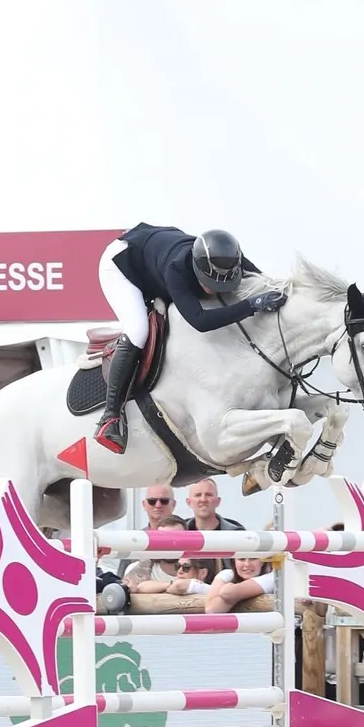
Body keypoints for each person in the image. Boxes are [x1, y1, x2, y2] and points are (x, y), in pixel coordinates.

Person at [94, 224, 287, 453]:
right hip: (123, 265)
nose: (213, 289)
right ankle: (110, 417)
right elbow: (200, 321)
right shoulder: (177, 269)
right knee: (138, 330)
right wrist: (251, 305)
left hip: (154, 249)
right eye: (208, 282)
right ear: (197, 267)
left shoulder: (230, 259)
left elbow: (263, 282)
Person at [122, 486, 188, 590]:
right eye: (152, 501)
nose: (158, 505)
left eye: (164, 501)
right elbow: (128, 587)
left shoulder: (196, 569)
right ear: (144, 504)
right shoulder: (133, 541)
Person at [205, 554, 275, 613]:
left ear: (263, 561)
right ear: (234, 562)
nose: (247, 564)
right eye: (241, 559)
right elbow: (211, 609)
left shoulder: (273, 577)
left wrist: (230, 590)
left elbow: (228, 592)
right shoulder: (227, 574)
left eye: (253, 558)